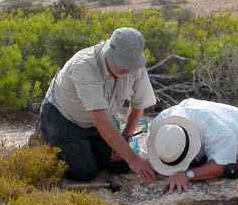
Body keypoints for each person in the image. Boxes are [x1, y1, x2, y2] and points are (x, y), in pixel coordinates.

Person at [39, 27, 157, 182]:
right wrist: (134, 160)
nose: (128, 70)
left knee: (119, 164)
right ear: (109, 54)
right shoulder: (84, 66)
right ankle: (43, 139)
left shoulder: (134, 66)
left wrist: (126, 137)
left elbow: (138, 106)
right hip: (62, 118)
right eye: (123, 64)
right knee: (84, 172)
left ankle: (85, 148)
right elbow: (100, 119)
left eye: (131, 64)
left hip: (96, 123)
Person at [145, 98, 238, 193]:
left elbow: (221, 166)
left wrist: (187, 175)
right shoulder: (161, 127)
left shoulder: (213, 129)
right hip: (231, 117)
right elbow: (149, 157)